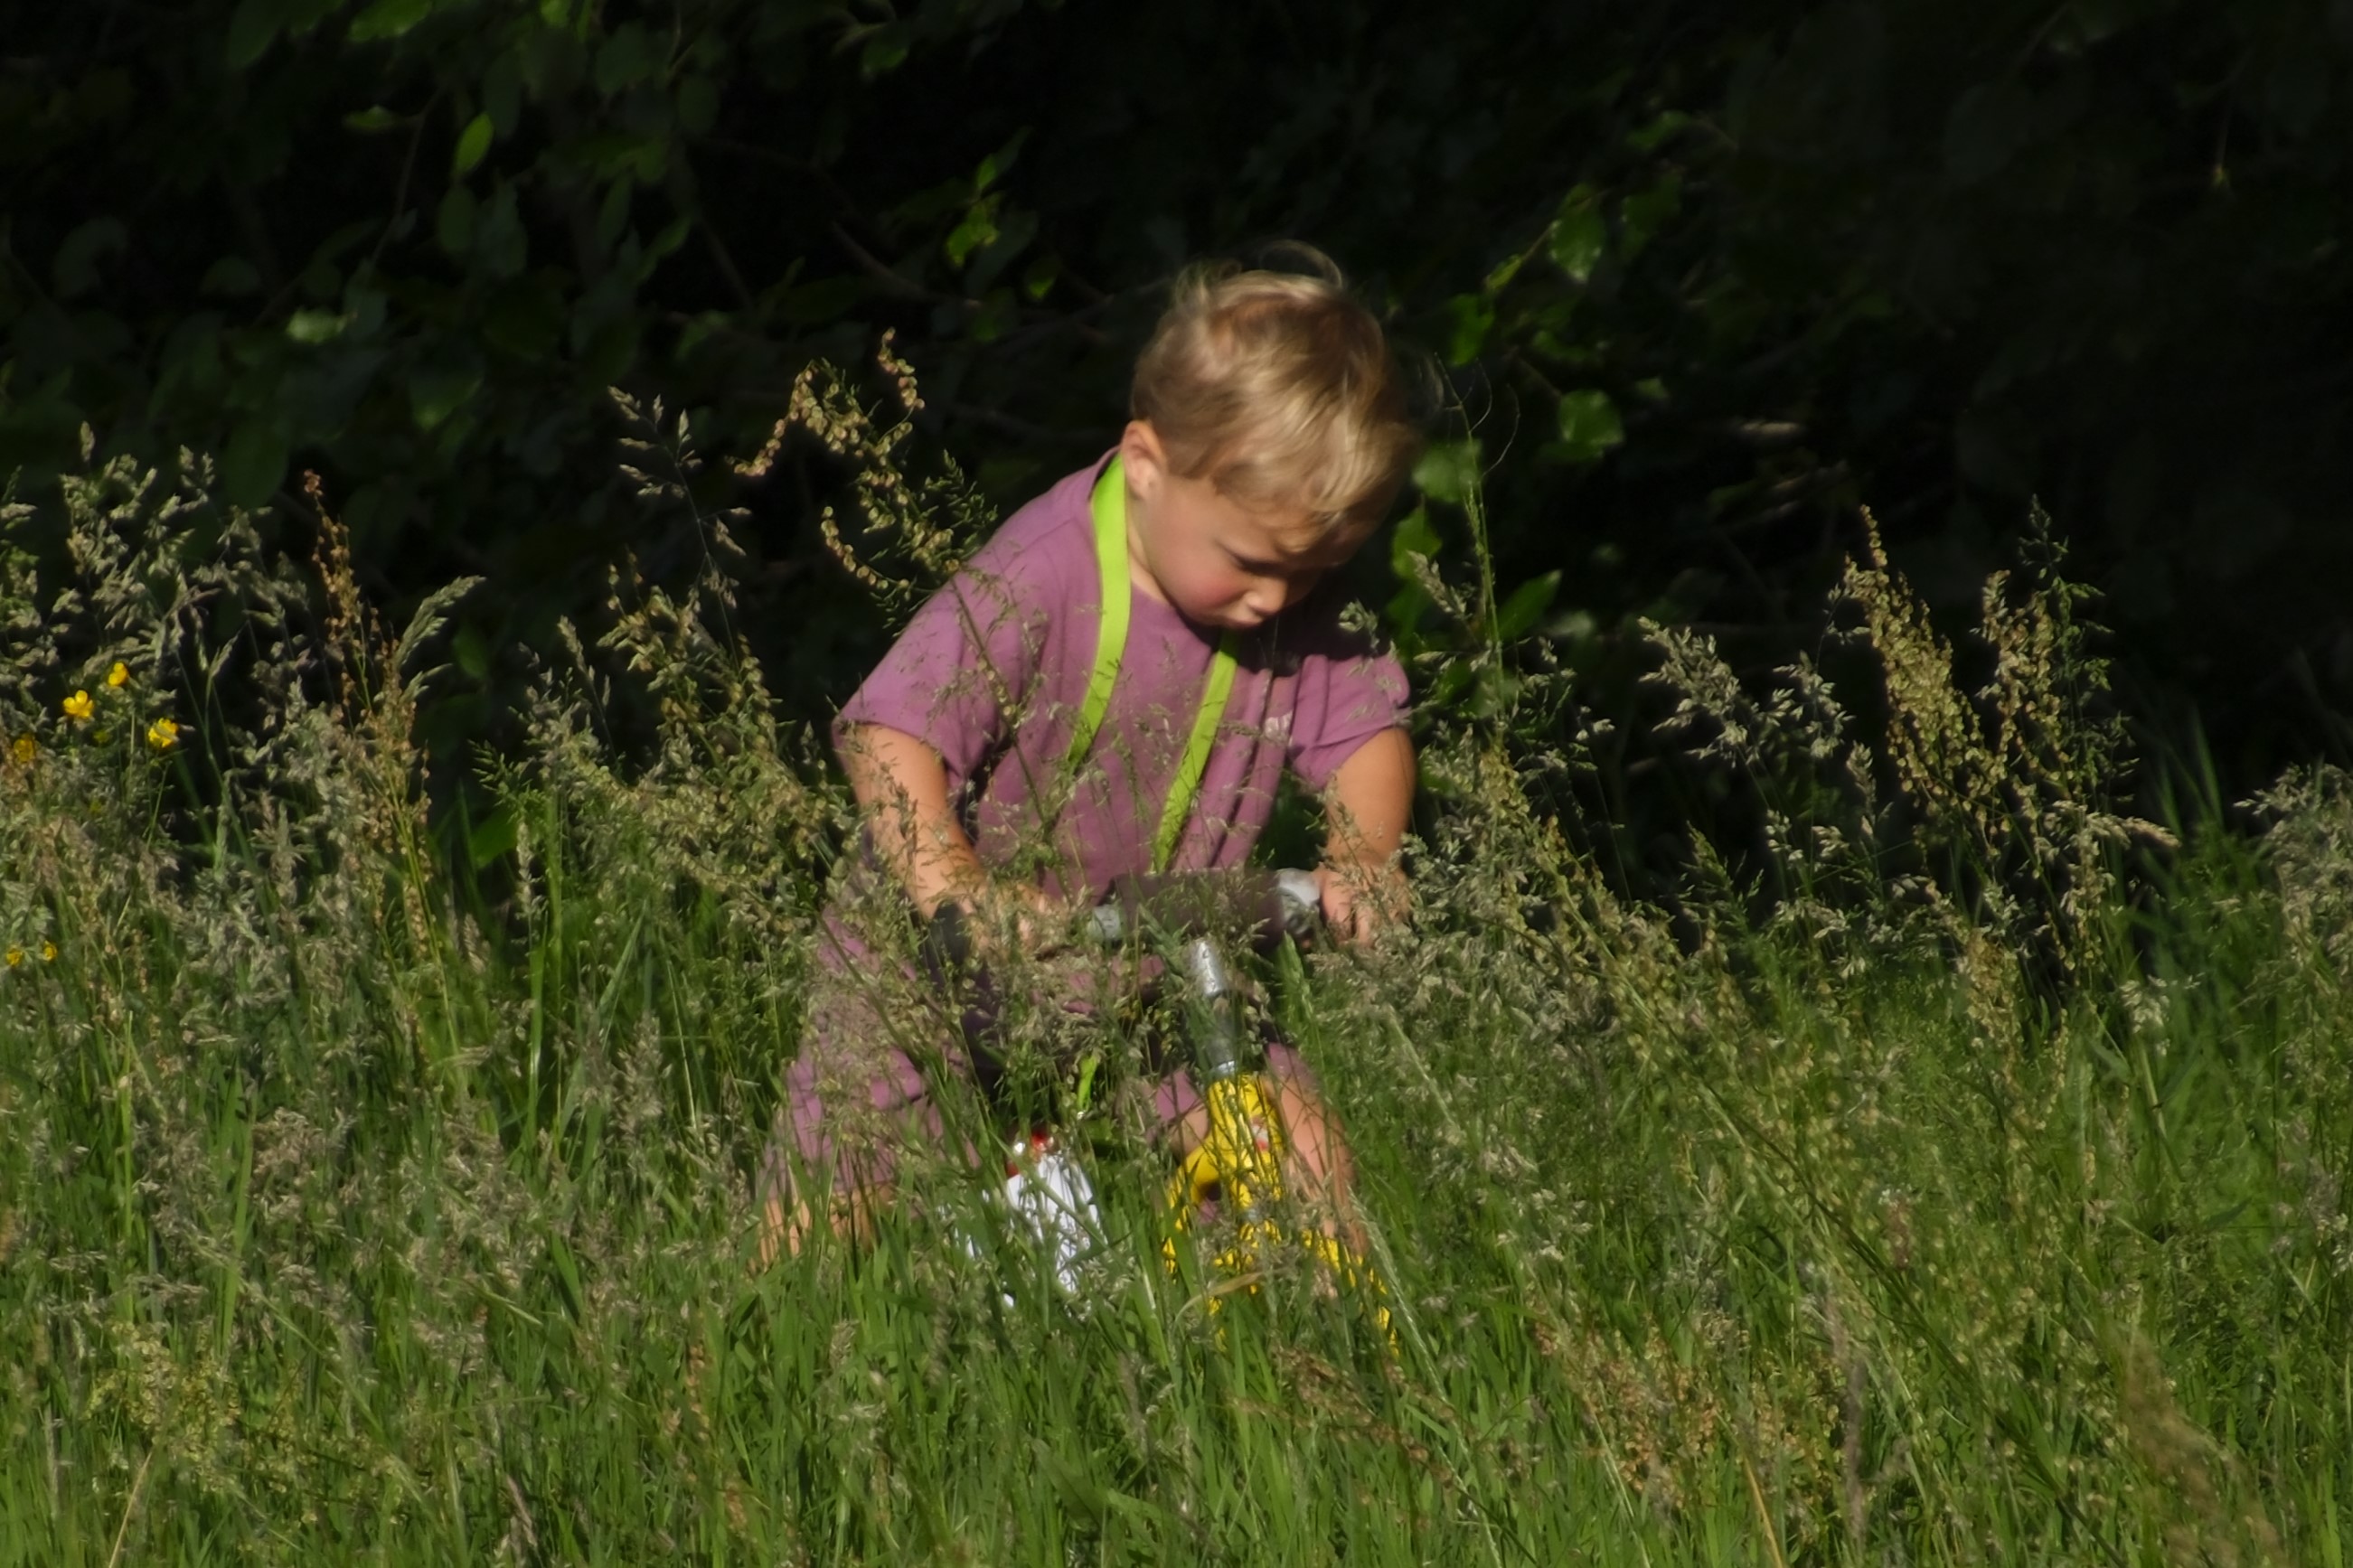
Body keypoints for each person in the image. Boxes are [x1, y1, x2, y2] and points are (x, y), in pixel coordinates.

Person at [762, 248, 1423, 1256]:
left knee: (1304, 1163)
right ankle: (730, 1347)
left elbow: (1365, 731)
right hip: (934, 977)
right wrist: (952, 885)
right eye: (1251, 562)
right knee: (833, 1213)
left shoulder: (1293, 591)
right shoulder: (1046, 571)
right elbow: (886, 730)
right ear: (1147, 465)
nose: (1278, 599)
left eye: (1313, 568)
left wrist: (1363, 855)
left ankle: (1305, 1343)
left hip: (1158, 975)